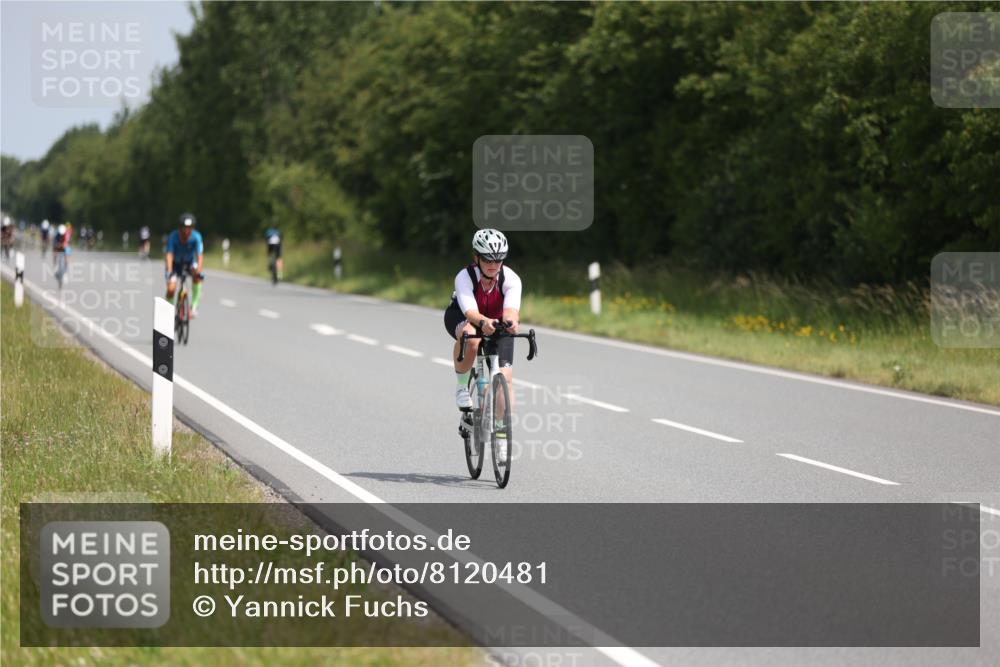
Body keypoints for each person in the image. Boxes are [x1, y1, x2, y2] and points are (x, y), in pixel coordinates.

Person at [444, 228, 522, 409]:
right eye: (487, 259)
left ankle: (501, 432)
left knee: (506, 378)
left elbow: (511, 310)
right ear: (476, 257)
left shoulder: (511, 278)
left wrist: (511, 322)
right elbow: (470, 311)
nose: (493, 264)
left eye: (498, 259)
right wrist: (483, 322)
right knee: (471, 336)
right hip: (464, 316)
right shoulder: (465, 277)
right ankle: (462, 386)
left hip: (495, 321)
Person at [165, 213, 205, 317]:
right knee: (171, 289)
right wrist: (169, 271)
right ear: (180, 228)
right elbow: (169, 255)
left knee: (197, 276)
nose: (187, 231)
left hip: (189, 263)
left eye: (190, 228)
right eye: (184, 228)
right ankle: (169, 310)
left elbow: (200, 255)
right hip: (174, 264)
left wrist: (199, 271)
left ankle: (194, 307)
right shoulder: (173, 237)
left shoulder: (196, 237)